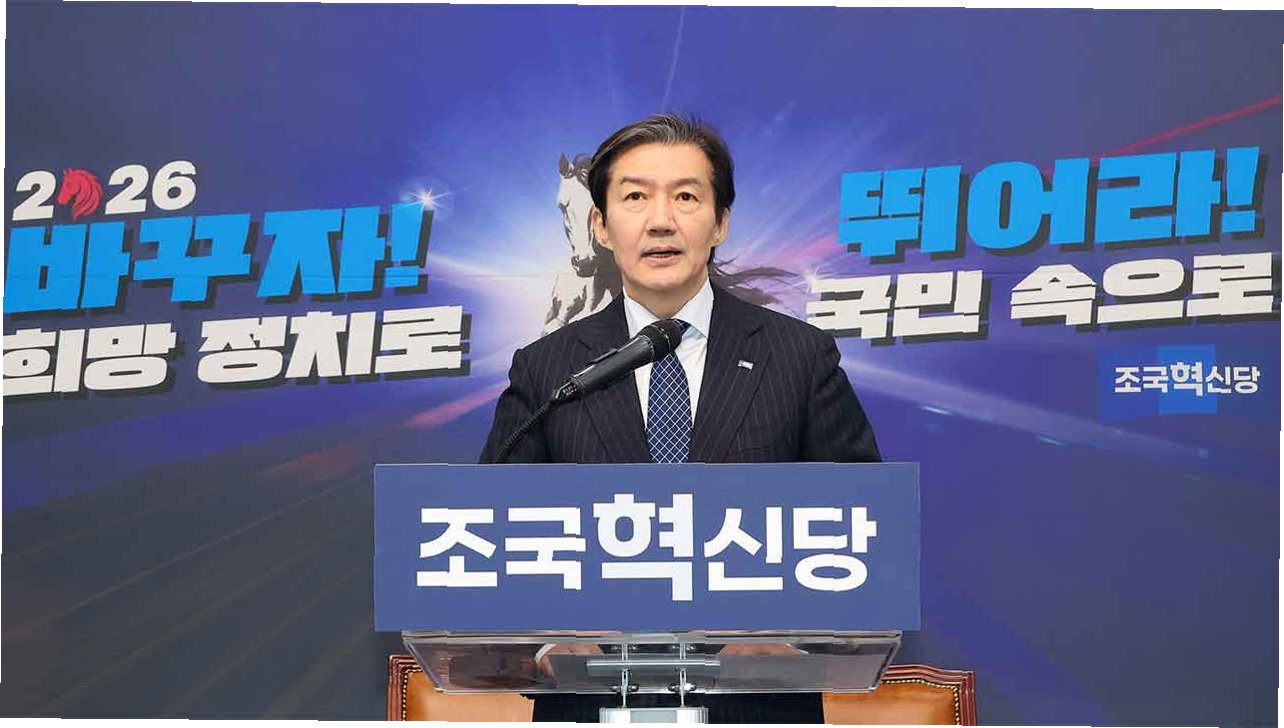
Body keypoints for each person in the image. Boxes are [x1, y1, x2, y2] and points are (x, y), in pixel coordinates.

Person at [479, 113, 881, 722]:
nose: (661, 220)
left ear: (720, 223)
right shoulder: (546, 371)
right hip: (592, 706)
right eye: (635, 197)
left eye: (686, 197)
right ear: (601, 226)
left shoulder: (799, 357)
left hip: (755, 707)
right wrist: (546, 647)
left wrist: (793, 644)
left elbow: (863, 532)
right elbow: (492, 542)